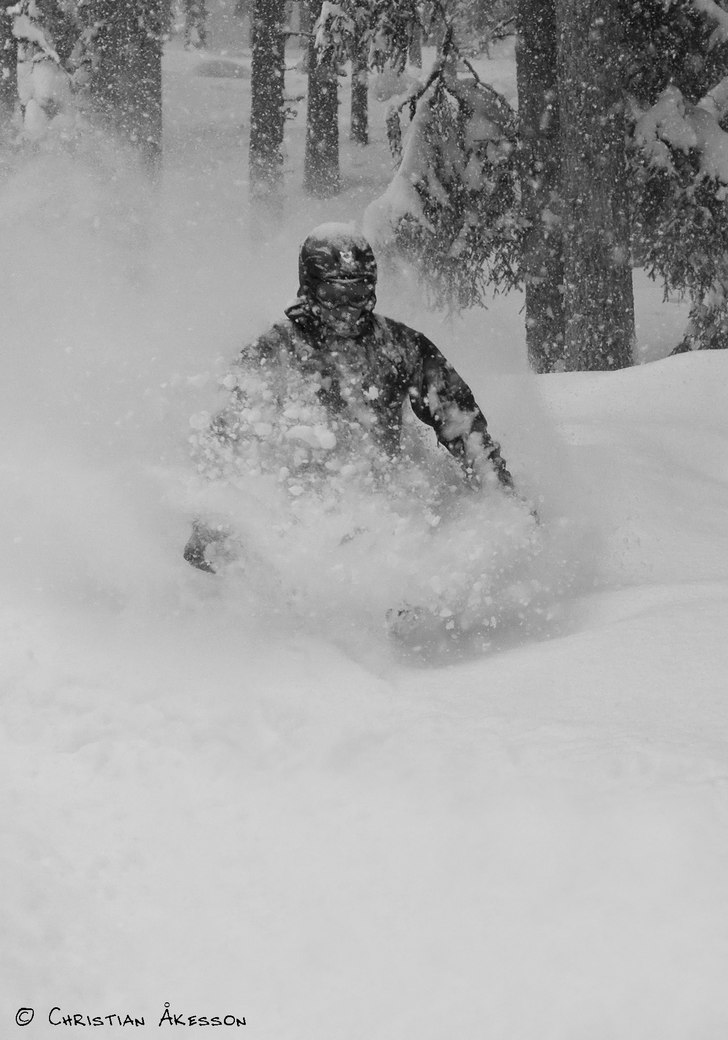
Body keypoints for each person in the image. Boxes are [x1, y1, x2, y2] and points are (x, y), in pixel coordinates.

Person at [184, 223, 517, 572]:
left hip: (387, 511)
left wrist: (501, 493)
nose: (346, 308)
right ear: (309, 290)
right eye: (333, 294)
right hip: (298, 519)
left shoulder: (401, 346)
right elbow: (226, 434)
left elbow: (461, 423)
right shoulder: (274, 350)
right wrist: (209, 518)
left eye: (357, 293)